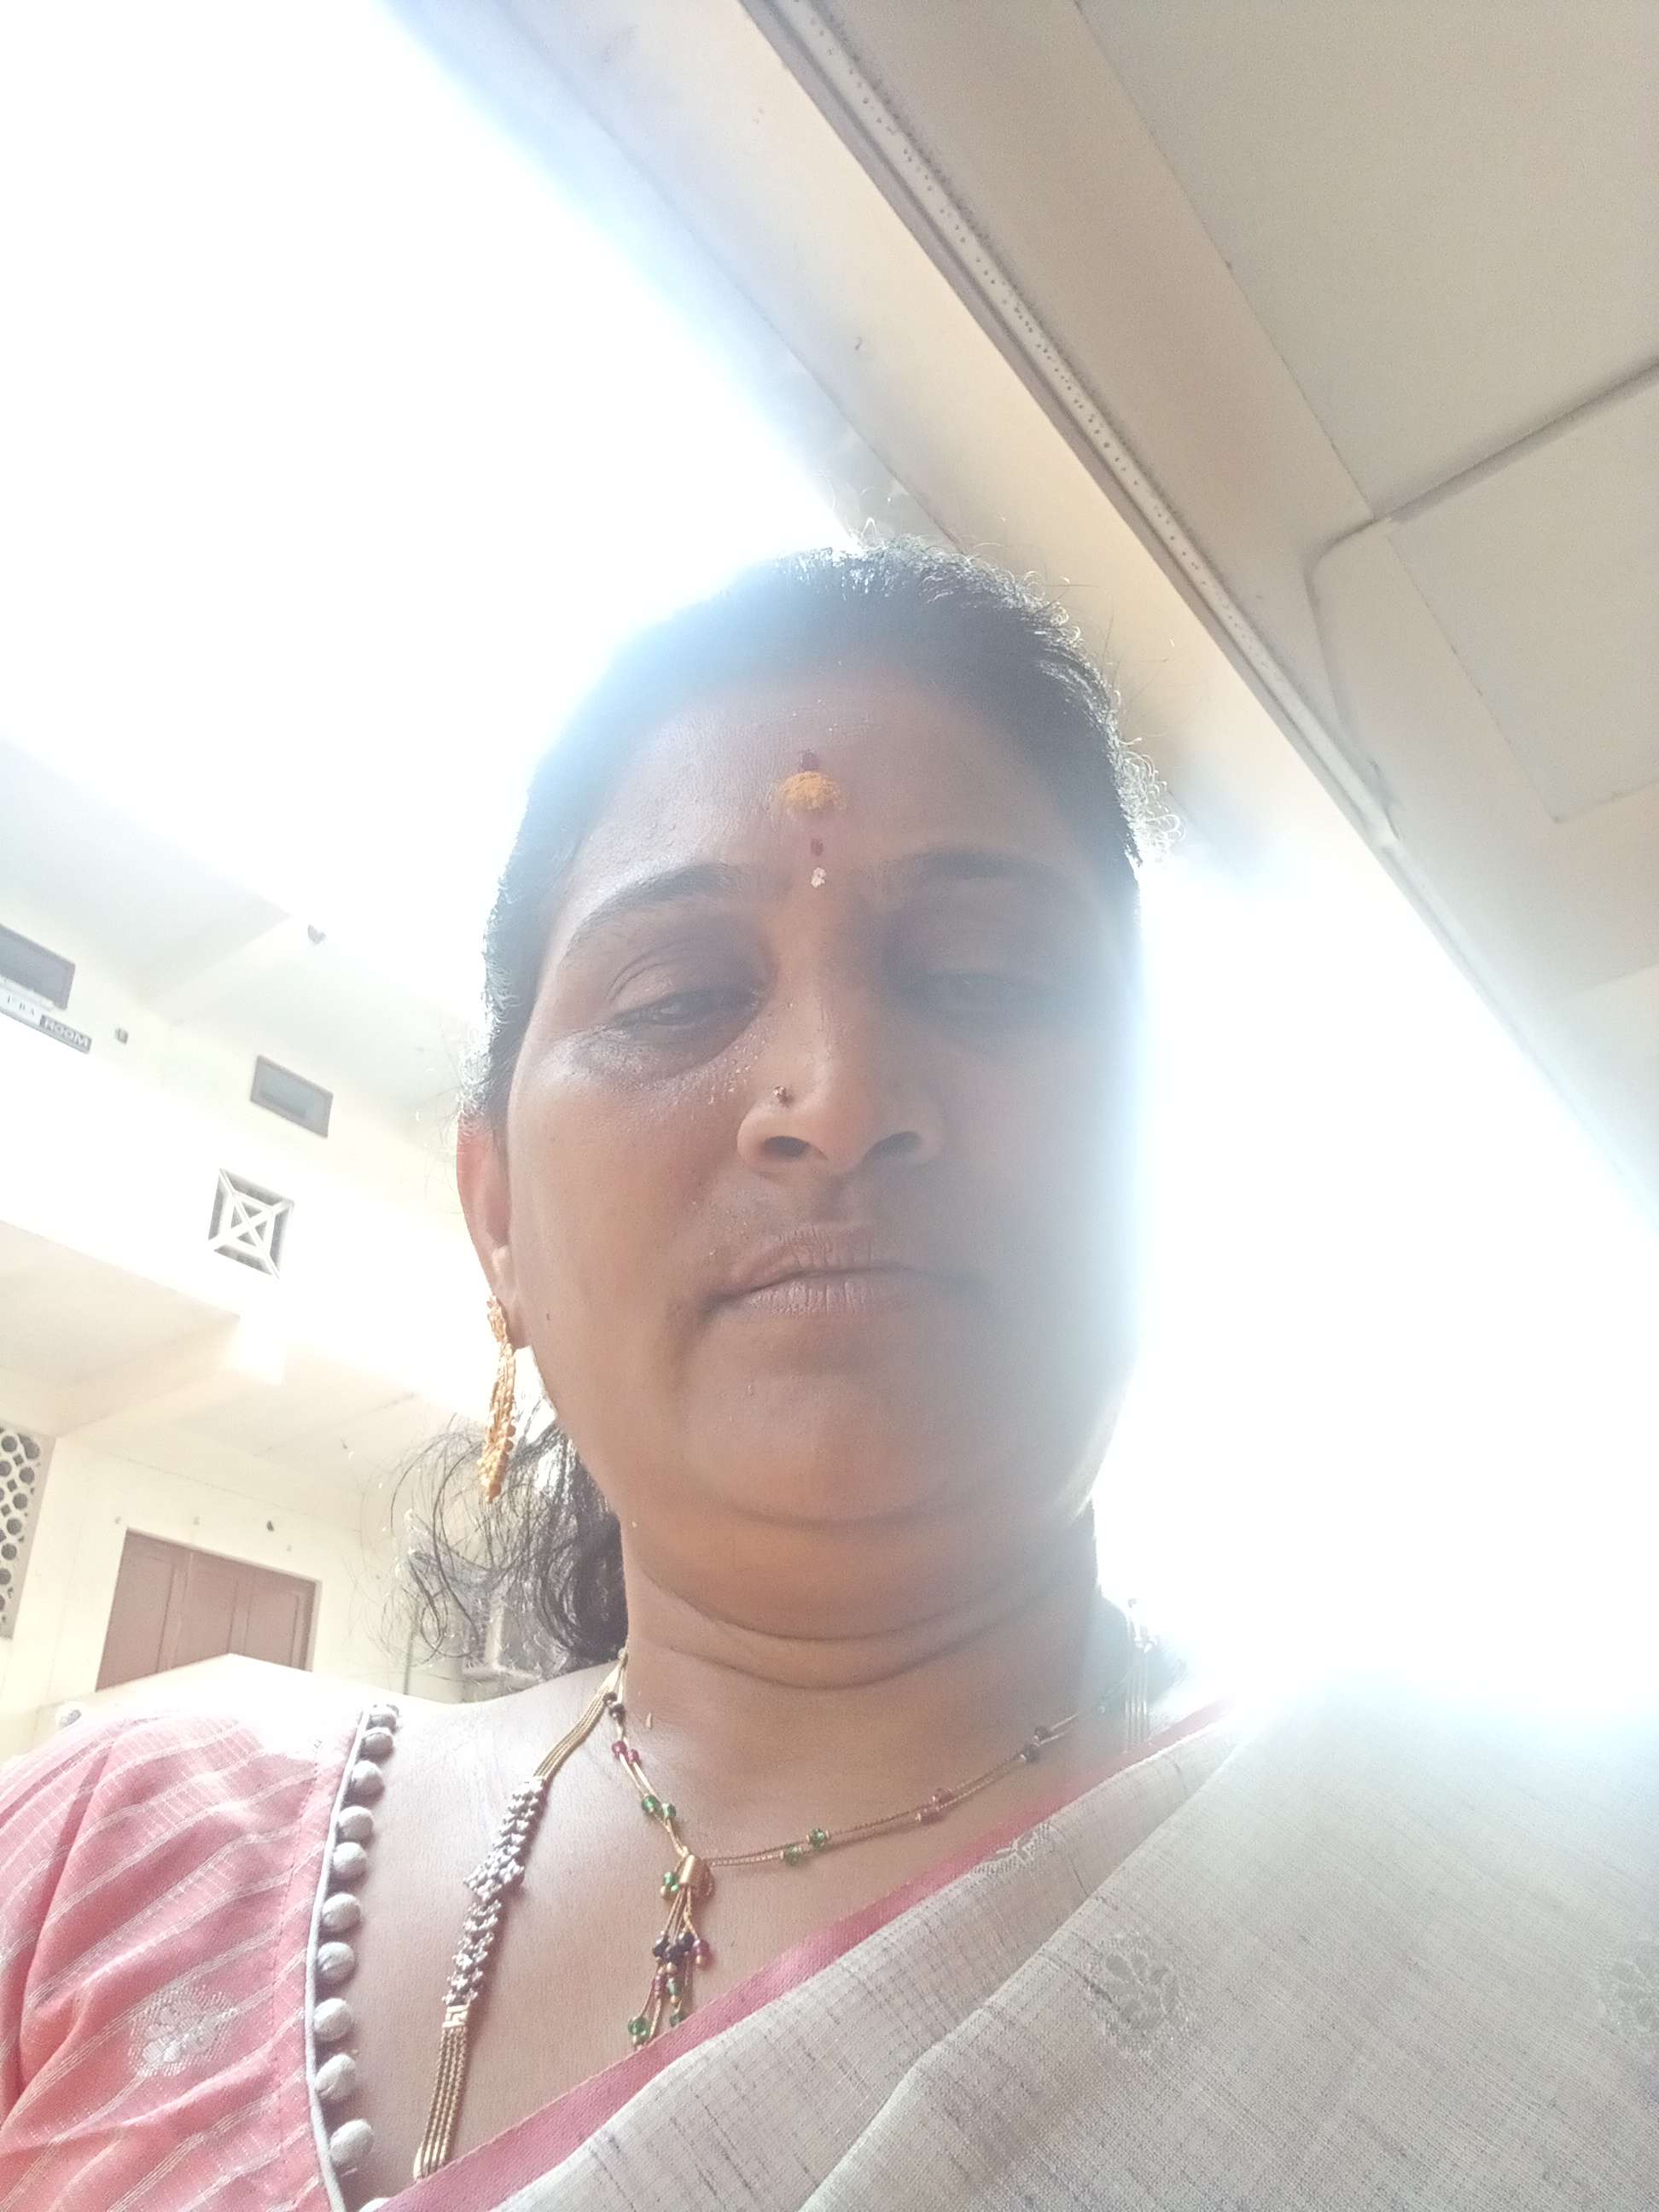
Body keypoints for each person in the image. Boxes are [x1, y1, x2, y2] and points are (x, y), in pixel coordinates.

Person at [0, 545, 1650, 2212]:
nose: (837, 1094)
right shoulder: (110, 1861)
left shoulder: (1545, 1924)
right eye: (680, 998)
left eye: (988, 980)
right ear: (497, 1219)